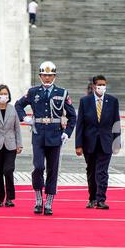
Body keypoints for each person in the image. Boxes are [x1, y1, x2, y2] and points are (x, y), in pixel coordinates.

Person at [15, 61, 76, 215]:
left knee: (53, 169)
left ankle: (48, 202)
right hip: (38, 134)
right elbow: (18, 105)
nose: (47, 78)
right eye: (44, 75)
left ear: (54, 76)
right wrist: (24, 118)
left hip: (55, 135)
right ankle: (38, 198)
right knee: (38, 167)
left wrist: (67, 132)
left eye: (50, 75)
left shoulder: (62, 93)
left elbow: (72, 116)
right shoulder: (33, 92)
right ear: (40, 75)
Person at [75, 75, 121, 210]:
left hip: (106, 142)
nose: (102, 87)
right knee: (91, 171)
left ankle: (101, 199)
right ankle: (92, 198)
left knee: (102, 172)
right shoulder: (85, 101)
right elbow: (80, 124)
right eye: (99, 85)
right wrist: (78, 145)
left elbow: (116, 122)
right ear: (94, 86)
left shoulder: (112, 101)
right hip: (89, 142)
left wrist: (117, 141)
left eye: (104, 85)